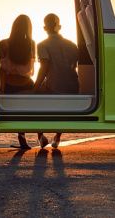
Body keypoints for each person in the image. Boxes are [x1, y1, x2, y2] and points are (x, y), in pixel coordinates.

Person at [34, 13, 80, 149]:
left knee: (35, 100)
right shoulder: (72, 45)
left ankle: (40, 136)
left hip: (55, 87)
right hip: (72, 87)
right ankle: (57, 137)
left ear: (44, 28)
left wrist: (36, 86)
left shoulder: (42, 45)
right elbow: (73, 66)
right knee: (63, 111)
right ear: (59, 27)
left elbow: (44, 67)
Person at [0, 14, 36, 149]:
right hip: (27, 84)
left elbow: (2, 70)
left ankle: (22, 136)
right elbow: (31, 69)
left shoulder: (3, 44)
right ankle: (40, 135)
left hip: (10, 85)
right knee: (32, 109)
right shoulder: (31, 44)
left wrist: (2, 89)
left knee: (17, 112)